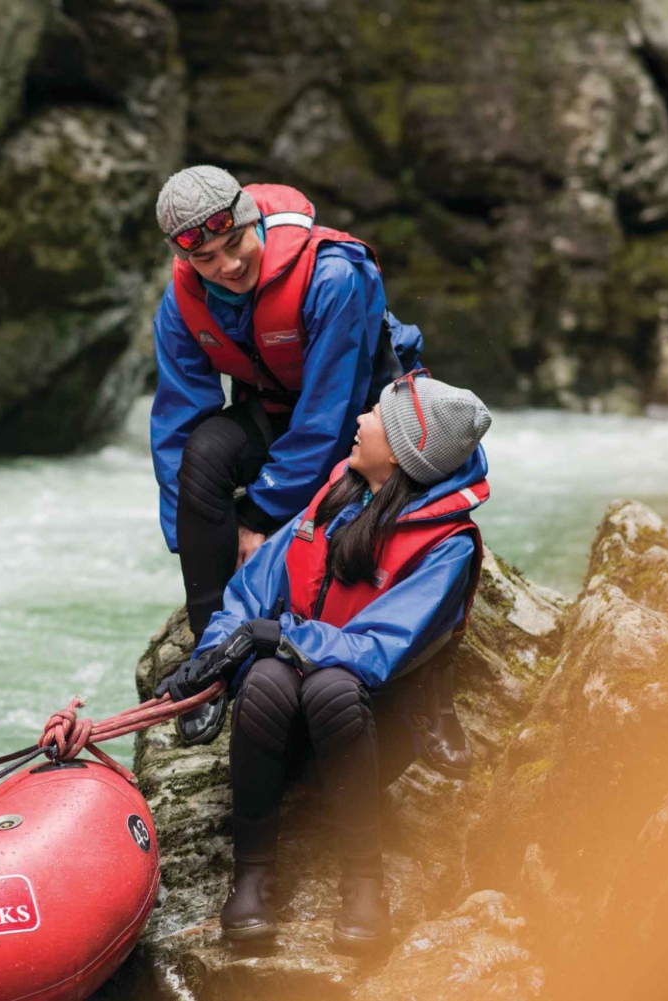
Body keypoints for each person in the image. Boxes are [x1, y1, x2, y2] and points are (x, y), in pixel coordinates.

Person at [155, 372, 492, 952]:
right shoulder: (341, 494)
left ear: (404, 453)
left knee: (329, 686)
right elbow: (252, 592)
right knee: (264, 676)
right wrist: (212, 657)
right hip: (283, 736)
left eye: (377, 417)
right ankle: (252, 877)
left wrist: (277, 634)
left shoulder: (448, 548)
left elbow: (377, 652)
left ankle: (364, 883)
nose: (360, 420)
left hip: (366, 735)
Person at [150, 164, 425, 747]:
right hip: (275, 414)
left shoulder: (333, 275)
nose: (227, 266)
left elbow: (330, 414)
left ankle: (428, 695)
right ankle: (210, 663)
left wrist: (259, 515)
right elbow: (177, 421)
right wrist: (199, 537)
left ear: (254, 222)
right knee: (201, 455)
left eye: (235, 243)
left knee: (372, 507)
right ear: (185, 258)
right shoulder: (181, 303)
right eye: (206, 259)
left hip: (367, 417)